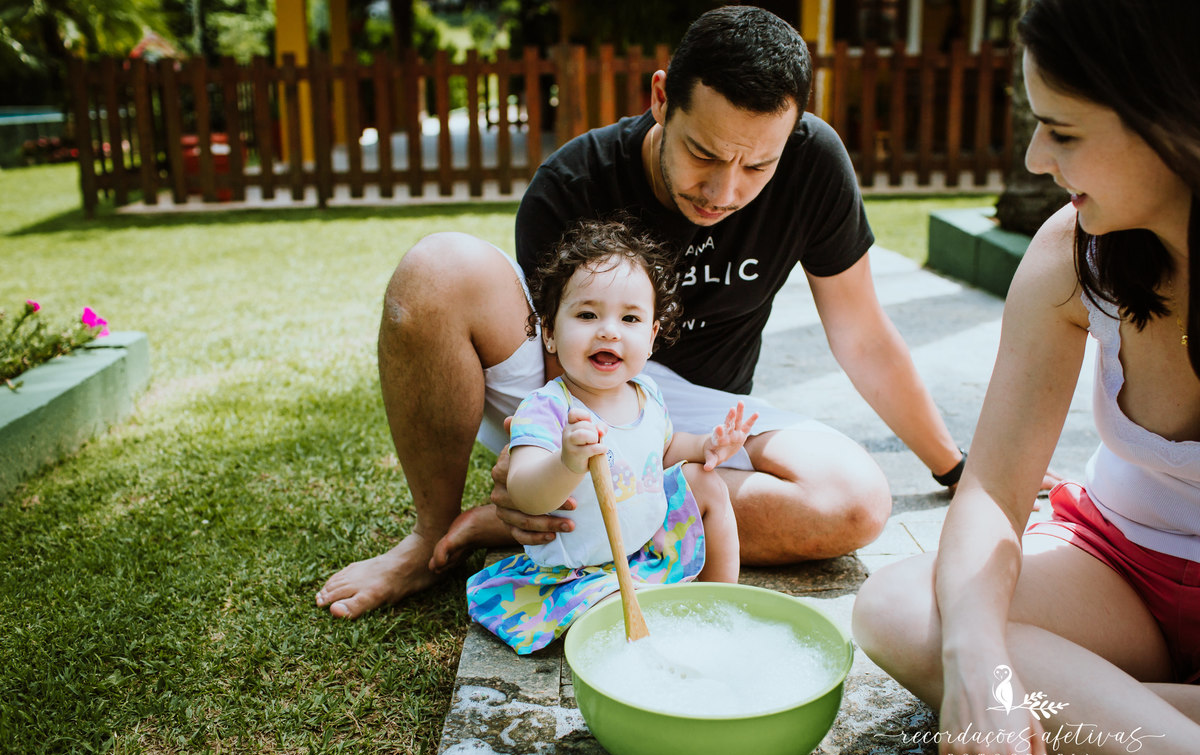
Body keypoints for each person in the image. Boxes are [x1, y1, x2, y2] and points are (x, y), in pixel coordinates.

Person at [316, 5, 966, 620]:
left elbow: (861, 334)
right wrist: (548, 464)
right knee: (436, 269)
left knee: (855, 502)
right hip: (576, 384)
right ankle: (431, 539)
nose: (724, 191)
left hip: (696, 413)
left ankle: (548, 527)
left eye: (757, 165)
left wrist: (954, 467)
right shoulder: (575, 182)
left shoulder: (814, 163)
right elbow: (561, 375)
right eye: (704, 154)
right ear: (661, 97)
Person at [851, 1, 1200, 755]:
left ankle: (1122, 725)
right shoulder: (1073, 252)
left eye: (1063, 132)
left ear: (1176, 120)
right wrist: (978, 664)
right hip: (1119, 570)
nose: (1037, 158)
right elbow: (994, 492)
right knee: (902, 608)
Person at [465, 217, 754, 654]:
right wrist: (566, 462)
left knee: (706, 482)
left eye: (630, 318)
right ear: (549, 332)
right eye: (587, 315)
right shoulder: (547, 408)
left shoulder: (646, 393)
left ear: (652, 336)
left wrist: (707, 446)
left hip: (641, 550)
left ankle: (720, 605)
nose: (609, 330)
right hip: (578, 575)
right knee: (618, 615)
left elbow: (662, 449)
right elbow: (525, 493)